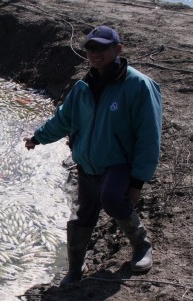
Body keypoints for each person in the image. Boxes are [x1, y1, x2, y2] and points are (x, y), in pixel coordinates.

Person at [24, 26, 162, 285]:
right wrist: (38, 138)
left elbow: (149, 136)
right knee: (83, 215)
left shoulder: (139, 85)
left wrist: (137, 182)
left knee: (111, 198)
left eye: (102, 48)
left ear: (117, 49)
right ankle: (75, 269)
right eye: (90, 49)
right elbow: (63, 120)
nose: (95, 54)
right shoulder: (82, 87)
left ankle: (141, 245)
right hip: (87, 164)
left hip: (118, 163)